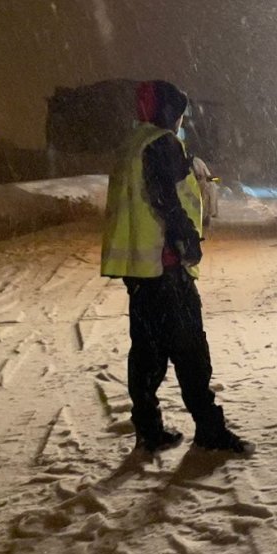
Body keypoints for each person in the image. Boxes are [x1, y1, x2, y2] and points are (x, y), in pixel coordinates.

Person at [100, 80, 248, 454]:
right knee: (191, 352)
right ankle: (209, 429)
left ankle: (148, 429)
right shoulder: (163, 144)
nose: (181, 121)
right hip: (166, 265)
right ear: (169, 112)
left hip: (139, 270)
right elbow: (165, 196)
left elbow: (161, 185)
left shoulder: (131, 146)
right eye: (179, 113)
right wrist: (185, 240)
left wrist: (202, 176)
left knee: (146, 352)